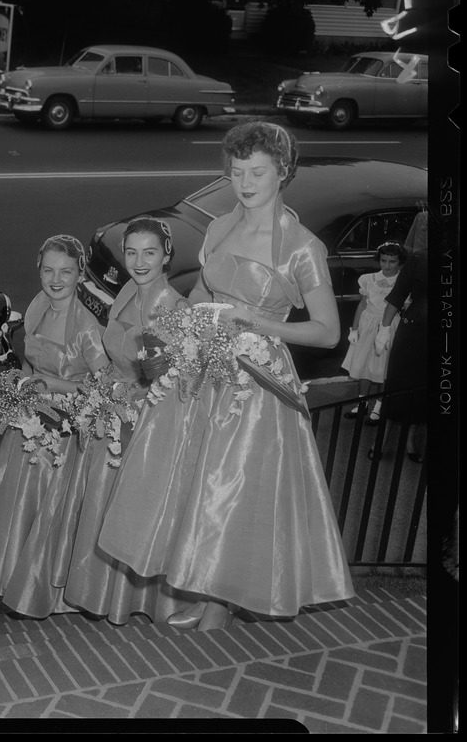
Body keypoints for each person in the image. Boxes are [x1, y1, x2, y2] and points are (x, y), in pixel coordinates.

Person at [99, 122, 355, 631]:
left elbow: (328, 333)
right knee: (195, 479)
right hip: (203, 367)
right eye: (236, 171)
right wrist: (173, 336)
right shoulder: (218, 227)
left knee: (233, 484)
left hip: (256, 380)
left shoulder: (301, 247)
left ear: (283, 172)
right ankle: (210, 586)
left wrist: (253, 322)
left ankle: (224, 599)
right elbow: (201, 296)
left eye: (257, 172)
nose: (245, 182)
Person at [52, 217, 195, 624]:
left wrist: (126, 402)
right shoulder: (129, 289)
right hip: (111, 404)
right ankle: (92, 588)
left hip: (141, 420)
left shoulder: (172, 307)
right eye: (131, 252)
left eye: (149, 252)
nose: (138, 261)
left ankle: (125, 597)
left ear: (167, 255)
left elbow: (172, 381)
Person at [0, 234, 108, 617]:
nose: (56, 280)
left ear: (80, 275)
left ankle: (34, 586)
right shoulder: (40, 304)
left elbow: (104, 388)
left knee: (37, 493)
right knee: (10, 494)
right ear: (38, 270)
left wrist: (53, 386)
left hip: (63, 427)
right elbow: (30, 360)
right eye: (48, 270)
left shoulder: (87, 328)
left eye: (66, 272)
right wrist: (18, 384)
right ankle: (6, 575)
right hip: (29, 414)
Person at [374, 210, 428, 462]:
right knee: (397, 389)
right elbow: (396, 297)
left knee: (424, 393)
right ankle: (381, 442)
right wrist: (384, 330)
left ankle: (410, 442)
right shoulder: (419, 259)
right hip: (411, 334)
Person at [341, 240, 406, 425]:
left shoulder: (403, 281)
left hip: (388, 326)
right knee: (363, 364)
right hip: (367, 324)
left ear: (399, 262)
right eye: (383, 261)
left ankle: (379, 404)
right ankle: (362, 403)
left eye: (392, 262)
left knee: (382, 366)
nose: (387, 265)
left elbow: (405, 307)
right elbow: (362, 304)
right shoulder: (368, 279)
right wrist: (354, 329)